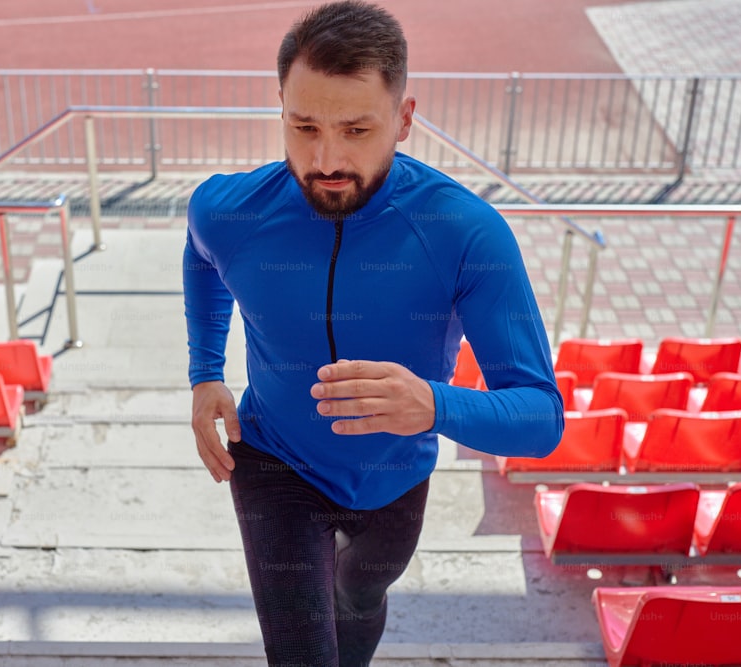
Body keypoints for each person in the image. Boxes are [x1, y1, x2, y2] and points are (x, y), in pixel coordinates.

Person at [182, 2, 564, 664]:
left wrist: (434, 405)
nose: (325, 159)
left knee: (359, 595)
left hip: (394, 478)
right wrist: (205, 370)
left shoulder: (465, 233)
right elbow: (201, 250)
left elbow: (541, 415)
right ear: (280, 108)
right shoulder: (233, 209)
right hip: (272, 458)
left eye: (357, 129)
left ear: (405, 119)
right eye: (303, 126)